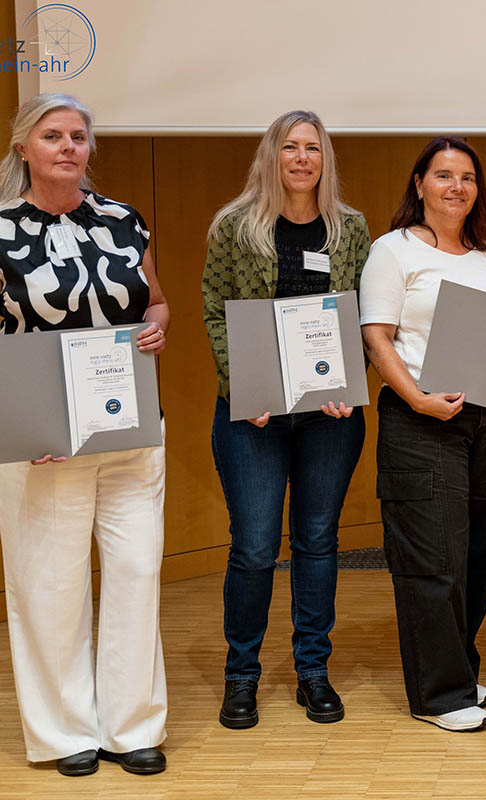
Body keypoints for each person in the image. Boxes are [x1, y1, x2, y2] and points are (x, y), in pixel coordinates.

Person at [0, 93, 169, 776]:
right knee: (49, 584)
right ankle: (66, 732)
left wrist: (159, 325)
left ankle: (132, 728)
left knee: (136, 572)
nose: (69, 146)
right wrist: (19, 421)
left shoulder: (123, 221)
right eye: (52, 136)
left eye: (78, 136)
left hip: (130, 429)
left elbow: (153, 299)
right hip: (40, 440)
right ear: (23, 148)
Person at [201, 110, 370, 730]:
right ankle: (241, 676)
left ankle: (312, 672)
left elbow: (358, 318)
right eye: (290, 147)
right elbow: (214, 312)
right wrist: (247, 385)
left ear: (326, 160)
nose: (302, 158)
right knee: (253, 547)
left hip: (329, 415)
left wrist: (349, 383)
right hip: (254, 415)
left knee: (318, 542)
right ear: (271, 156)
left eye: (314, 149)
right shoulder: (235, 227)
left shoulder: (350, 230)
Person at [360, 136, 486, 732]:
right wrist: (418, 400)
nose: (458, 186)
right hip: (423, 420)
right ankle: (439, 695)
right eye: (445, 175)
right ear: (420, 183)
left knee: (482, 555)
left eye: (468, 177)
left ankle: (454, 667)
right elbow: (377, 337)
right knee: (435, 559)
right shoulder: (392, 251)